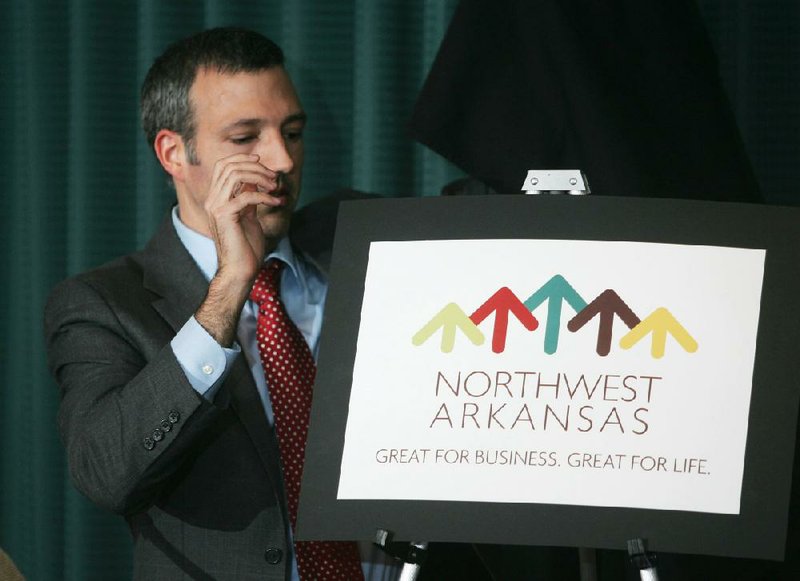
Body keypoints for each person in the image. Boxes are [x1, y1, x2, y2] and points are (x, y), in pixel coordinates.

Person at [44, 27, 401, 581]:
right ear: (174, 153)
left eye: (293, 131)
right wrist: (231, 285)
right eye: (245, 138)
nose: (282, 160)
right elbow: (106, 473)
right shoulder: (102, 304)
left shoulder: (361, 235)